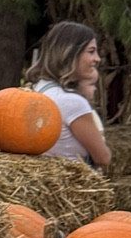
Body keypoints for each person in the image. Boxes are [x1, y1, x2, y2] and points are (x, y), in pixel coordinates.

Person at [25, 22, 110, 167]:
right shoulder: (71, 101)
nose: (97, 59)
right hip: (74, 184)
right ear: (70, 54)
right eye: (91, 51)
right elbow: (103, 158)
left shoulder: (39, 88)